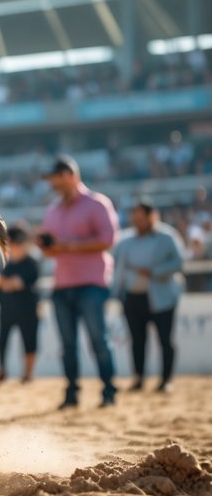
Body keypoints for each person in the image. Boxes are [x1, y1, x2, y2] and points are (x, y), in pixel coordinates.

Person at [38, 155, 119, 409]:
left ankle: (108, 391)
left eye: (55, 179)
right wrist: (46, 246)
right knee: (68, 345)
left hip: (91, 283)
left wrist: (68, 245)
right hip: (63, 284)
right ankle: (72, 393)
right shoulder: (53, 210)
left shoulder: (96, 204)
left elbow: (108, 239)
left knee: (99, 340)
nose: (52, 184)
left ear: (69, 175)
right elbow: (51, 249)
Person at [112, 201, 185, 393]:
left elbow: (178, 263)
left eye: (141, 218)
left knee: (165, 340)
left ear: (152, 216)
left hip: (162, 298)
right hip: (133, 298)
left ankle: (166, 380)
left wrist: (154, 272)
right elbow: (117, 267)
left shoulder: (167, 237)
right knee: (137, 340)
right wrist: (117, 292)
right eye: (134, 218)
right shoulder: (125, 240)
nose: (137, 222)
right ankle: (138, 378)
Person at [0, 225, 40, 386]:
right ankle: (2, 370)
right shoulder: (8, 264)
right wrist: (5, 284)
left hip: (28, 309)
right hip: (7, 309)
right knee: (2, 341)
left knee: (29, 341)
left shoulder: (31, 263)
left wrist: (5, 283)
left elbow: (12, 283)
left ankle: (28, 374)